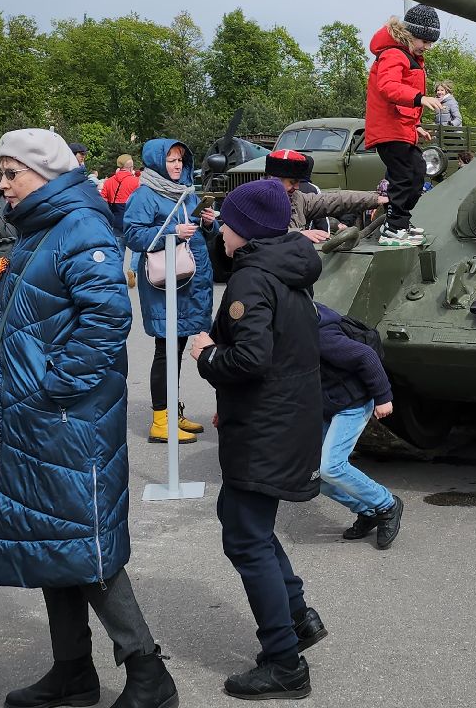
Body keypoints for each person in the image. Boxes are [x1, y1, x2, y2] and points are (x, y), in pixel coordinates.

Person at [0, 129, 177, 708]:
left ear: (44, 173)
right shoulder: (44, 227)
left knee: (85, 547)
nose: (2, 183)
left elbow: (107, 318)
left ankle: (148, 674)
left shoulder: (80, 227)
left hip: (66, 418)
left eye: (11, 171)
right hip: (39, 419)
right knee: (52, 543)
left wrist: (55, 387)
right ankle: (72, 671)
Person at [188, 178, 327, 700]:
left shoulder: (251, 279)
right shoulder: (286, 266)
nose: (220, 229)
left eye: (227, 221)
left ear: (244, 231)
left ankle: (285, 663)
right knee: (246, 524)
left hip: (266, 426)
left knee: (245, 536)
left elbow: (251, 358)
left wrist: (204, 354)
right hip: (285, 419)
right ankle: (297, 617)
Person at [121, 137, 217, 444]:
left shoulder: (187, 193)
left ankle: (171, 413)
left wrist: (208, 223)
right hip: (165, 285)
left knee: (176, 349)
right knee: (165, 350)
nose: (176, 165)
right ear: (156, 161)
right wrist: (173, 232)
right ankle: (160, 421)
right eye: (170, 160)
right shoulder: (145, 194)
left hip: (188, 282)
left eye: (179, 160)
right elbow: (134, 235)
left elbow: (198, 231)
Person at [316, 304, 403, 549]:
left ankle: (387, 504)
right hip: (326, 405)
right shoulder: (282, 326)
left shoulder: (319, 333)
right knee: (311, 475)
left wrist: (383, 396)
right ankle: (368, 510)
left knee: (331, 467)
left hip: (351, 404)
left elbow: (365, 355)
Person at [365, 6, 443, 247]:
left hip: (400, 128)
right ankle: (393, 227)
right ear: (409, 34)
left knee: (418, 171)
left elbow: (402, 103)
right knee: (405, 175)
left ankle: (400, 222)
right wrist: (420, 98)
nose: (427, 47)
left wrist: (416, 125)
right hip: (388, 131)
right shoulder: (393, 54)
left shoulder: (409, 56)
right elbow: (388, 87)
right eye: (425, 41)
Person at [263, 149, 385, 241]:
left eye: (298, 182)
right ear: (274, 180)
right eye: (292, 182)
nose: (297, 187)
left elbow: (333, 200)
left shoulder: (298, 199)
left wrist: (376, 199)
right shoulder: (256, 201)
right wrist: (298, 234)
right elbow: (260, 234)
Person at [100, 153, 141, 232]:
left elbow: (103, 200)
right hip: (132, 222)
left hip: (115, 221)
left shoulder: (108, 182)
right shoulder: (136, 181)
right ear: (131, 167)